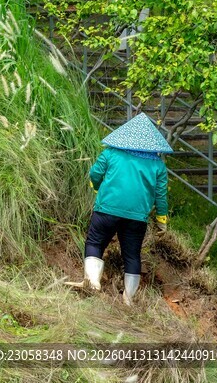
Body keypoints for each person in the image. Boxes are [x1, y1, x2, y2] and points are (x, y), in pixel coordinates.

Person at [67, 114, 171, 305]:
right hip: (137, 217)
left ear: (125, 135)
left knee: (95, 242)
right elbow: (160, 196)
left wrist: (96, 187)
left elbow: (94, 174)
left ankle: (93, 282)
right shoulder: (158, 165)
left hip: (107, 209)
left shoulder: (111, 153)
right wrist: (161, 220)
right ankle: (128, 298)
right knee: (131, 254)